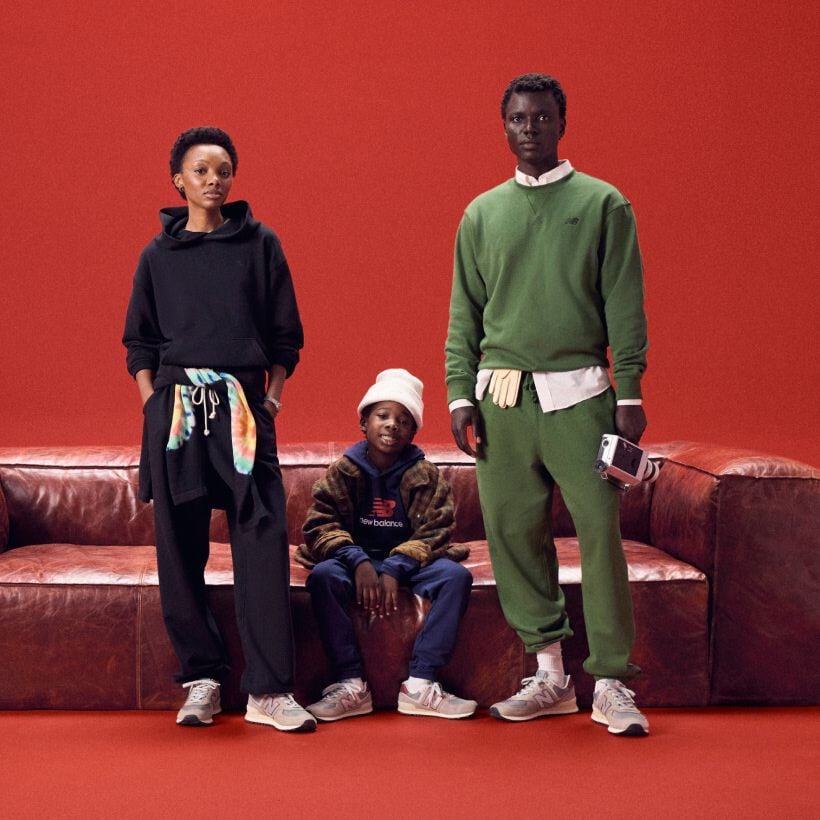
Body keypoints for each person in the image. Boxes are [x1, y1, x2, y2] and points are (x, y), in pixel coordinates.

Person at [445, 74, 650, 736]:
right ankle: (551, 674)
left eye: (540, 117)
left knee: (598, 532)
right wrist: (457, 394)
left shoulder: (603, 204)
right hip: (500, 399)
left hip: (583, 396)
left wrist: (631, 390)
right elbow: (464, 316)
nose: (528, 128)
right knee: (511, 533)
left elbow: (625, 303)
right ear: (502, 126)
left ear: (562, 122)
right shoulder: (481, 213)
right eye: (516, 119)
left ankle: (613, 680)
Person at [122, 126, 316, 732]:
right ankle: (202, 678)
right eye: (201, 171)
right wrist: (155, 403)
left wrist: (273, 399)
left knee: (261, 541)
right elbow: (139, 340)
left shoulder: (261, 244)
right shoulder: (157, 255)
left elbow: (286, 334)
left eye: (223, 170)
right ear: (178, 179)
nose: (214, 180)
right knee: (179, 548)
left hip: (242, 408)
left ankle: (268, 690)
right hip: (177, 411)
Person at [298, 369, 477, 721]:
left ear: (413, 431)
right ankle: (350, 684)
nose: (392, 425)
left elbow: (437, 530)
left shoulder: (426, 474)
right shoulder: (344, 471)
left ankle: (421, 684)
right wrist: (358, 562)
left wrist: (396, 567)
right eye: (382, 416)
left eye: (404, 420)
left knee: (456, 577)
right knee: (322, 577)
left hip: (412, 563)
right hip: (355, 563)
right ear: (364, 421)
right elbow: (320, 524)